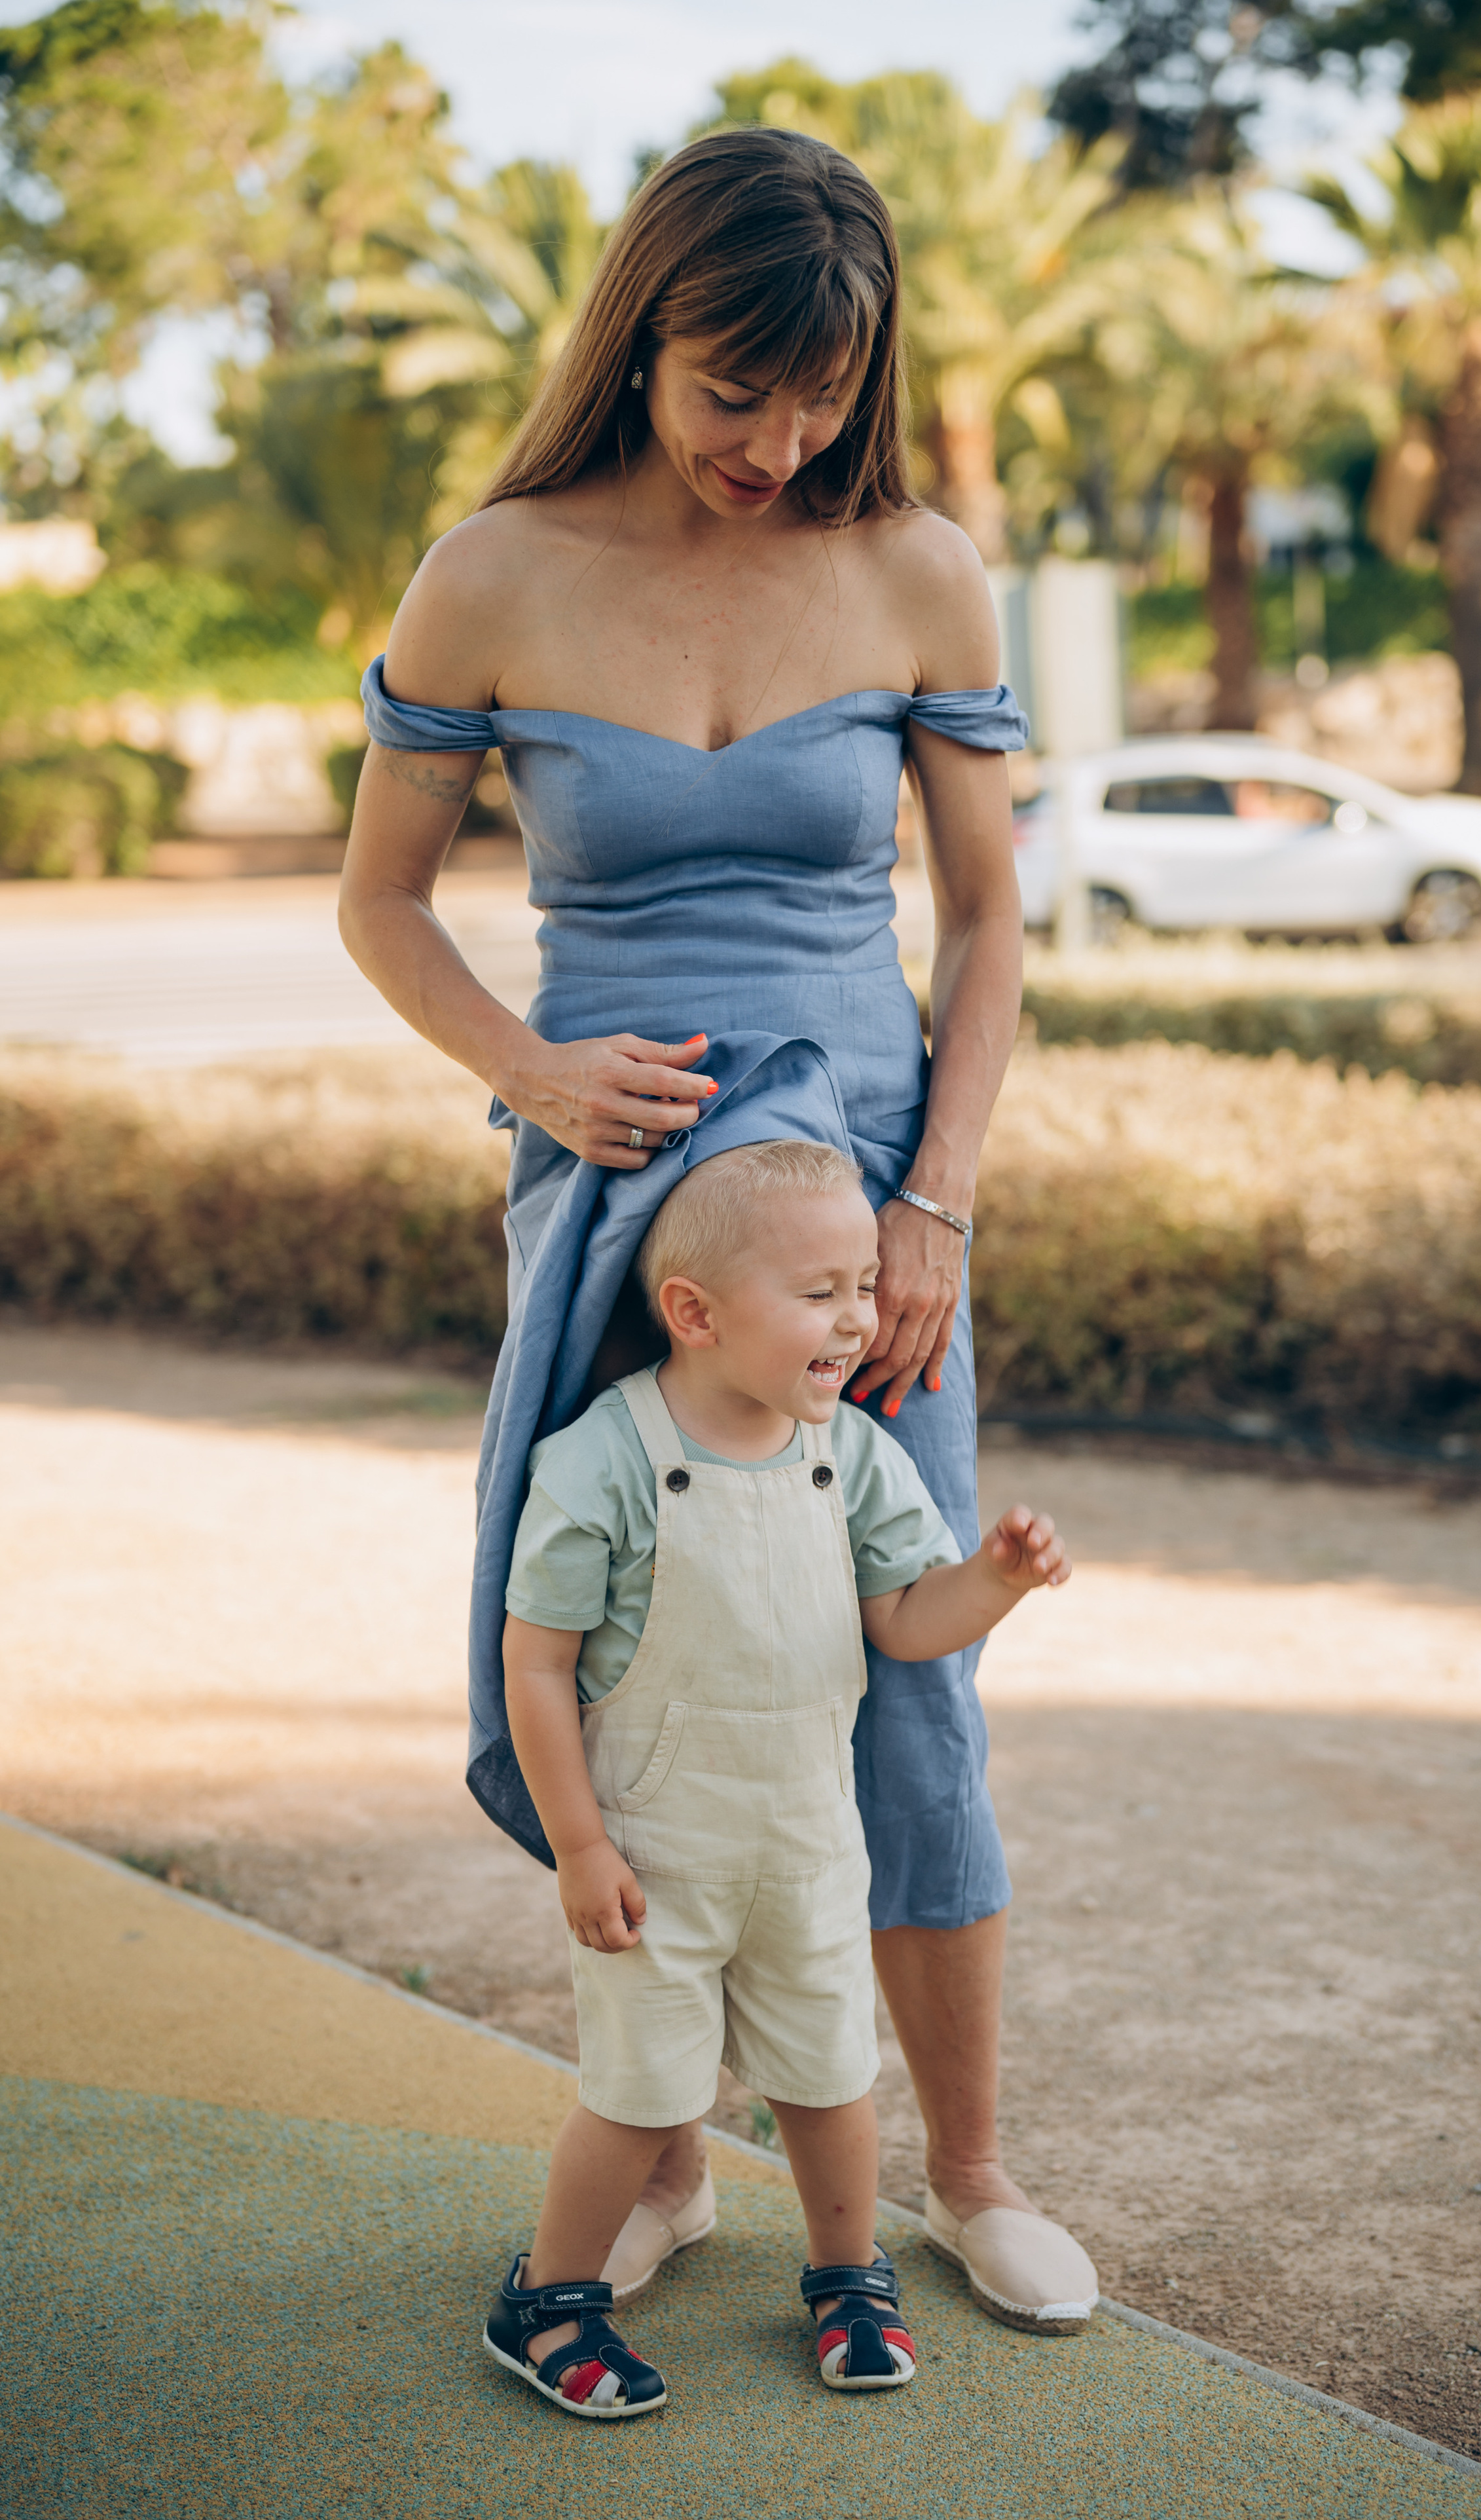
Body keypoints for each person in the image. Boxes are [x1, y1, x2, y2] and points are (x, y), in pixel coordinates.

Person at [338, 122, 1101, 2333]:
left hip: (864, 1203)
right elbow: (382, 902)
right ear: (642, 339)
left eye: (822, 394)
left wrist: (937, 1197)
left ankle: (964, 2170)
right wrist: (537, 1073)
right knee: (629, 1653)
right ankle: (663, 2161)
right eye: (731, 388)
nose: (780, 440)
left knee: (904, 1658)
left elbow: (980, 923)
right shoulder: (491, 569)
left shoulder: (920, 569)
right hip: (607, 1197)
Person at [485, 1139, 1070, 2414]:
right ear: (692, 1312)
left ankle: (846, 2273)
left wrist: (997, 1582)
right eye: (822, 1291)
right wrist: (580, 1846)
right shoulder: (603, 1461)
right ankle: (548, 2296)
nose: (859, 1316)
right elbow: (535, 1669)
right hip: (657, 1856)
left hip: (807, 1849)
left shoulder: (845, 1453)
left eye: (862, 1283)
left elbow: (908, 1620)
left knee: (829, 2075)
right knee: (641, 2094)